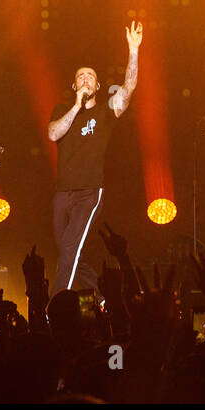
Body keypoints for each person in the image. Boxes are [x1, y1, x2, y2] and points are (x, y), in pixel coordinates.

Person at [47, 21, 142, 294]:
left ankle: (56, 305)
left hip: (89, 192)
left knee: (68, 250)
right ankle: (102, 298)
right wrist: (76, 106)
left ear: (98, 85)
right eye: (81, 76)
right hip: (62, 193)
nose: (86, 79)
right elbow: (53, 134)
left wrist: (133, 50)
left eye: (90, 76)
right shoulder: (62, 109)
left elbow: (129, 87)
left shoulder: (105, 113)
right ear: (74, 84)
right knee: (69, 252)